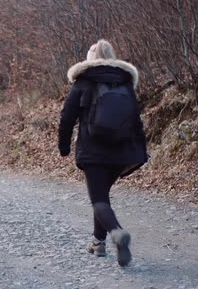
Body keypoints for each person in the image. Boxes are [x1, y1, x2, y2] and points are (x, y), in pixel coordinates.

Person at [58, 40, 148, 267]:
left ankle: (117, 233)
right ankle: (98, 243)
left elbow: (67, 117)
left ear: (90, 59)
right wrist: (140, 150)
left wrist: (64, 146)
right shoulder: (125, 83)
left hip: (93, 151)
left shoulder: (83, 82)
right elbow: (136, 119)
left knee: (98, 199)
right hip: (122, 153)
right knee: (102, 196)